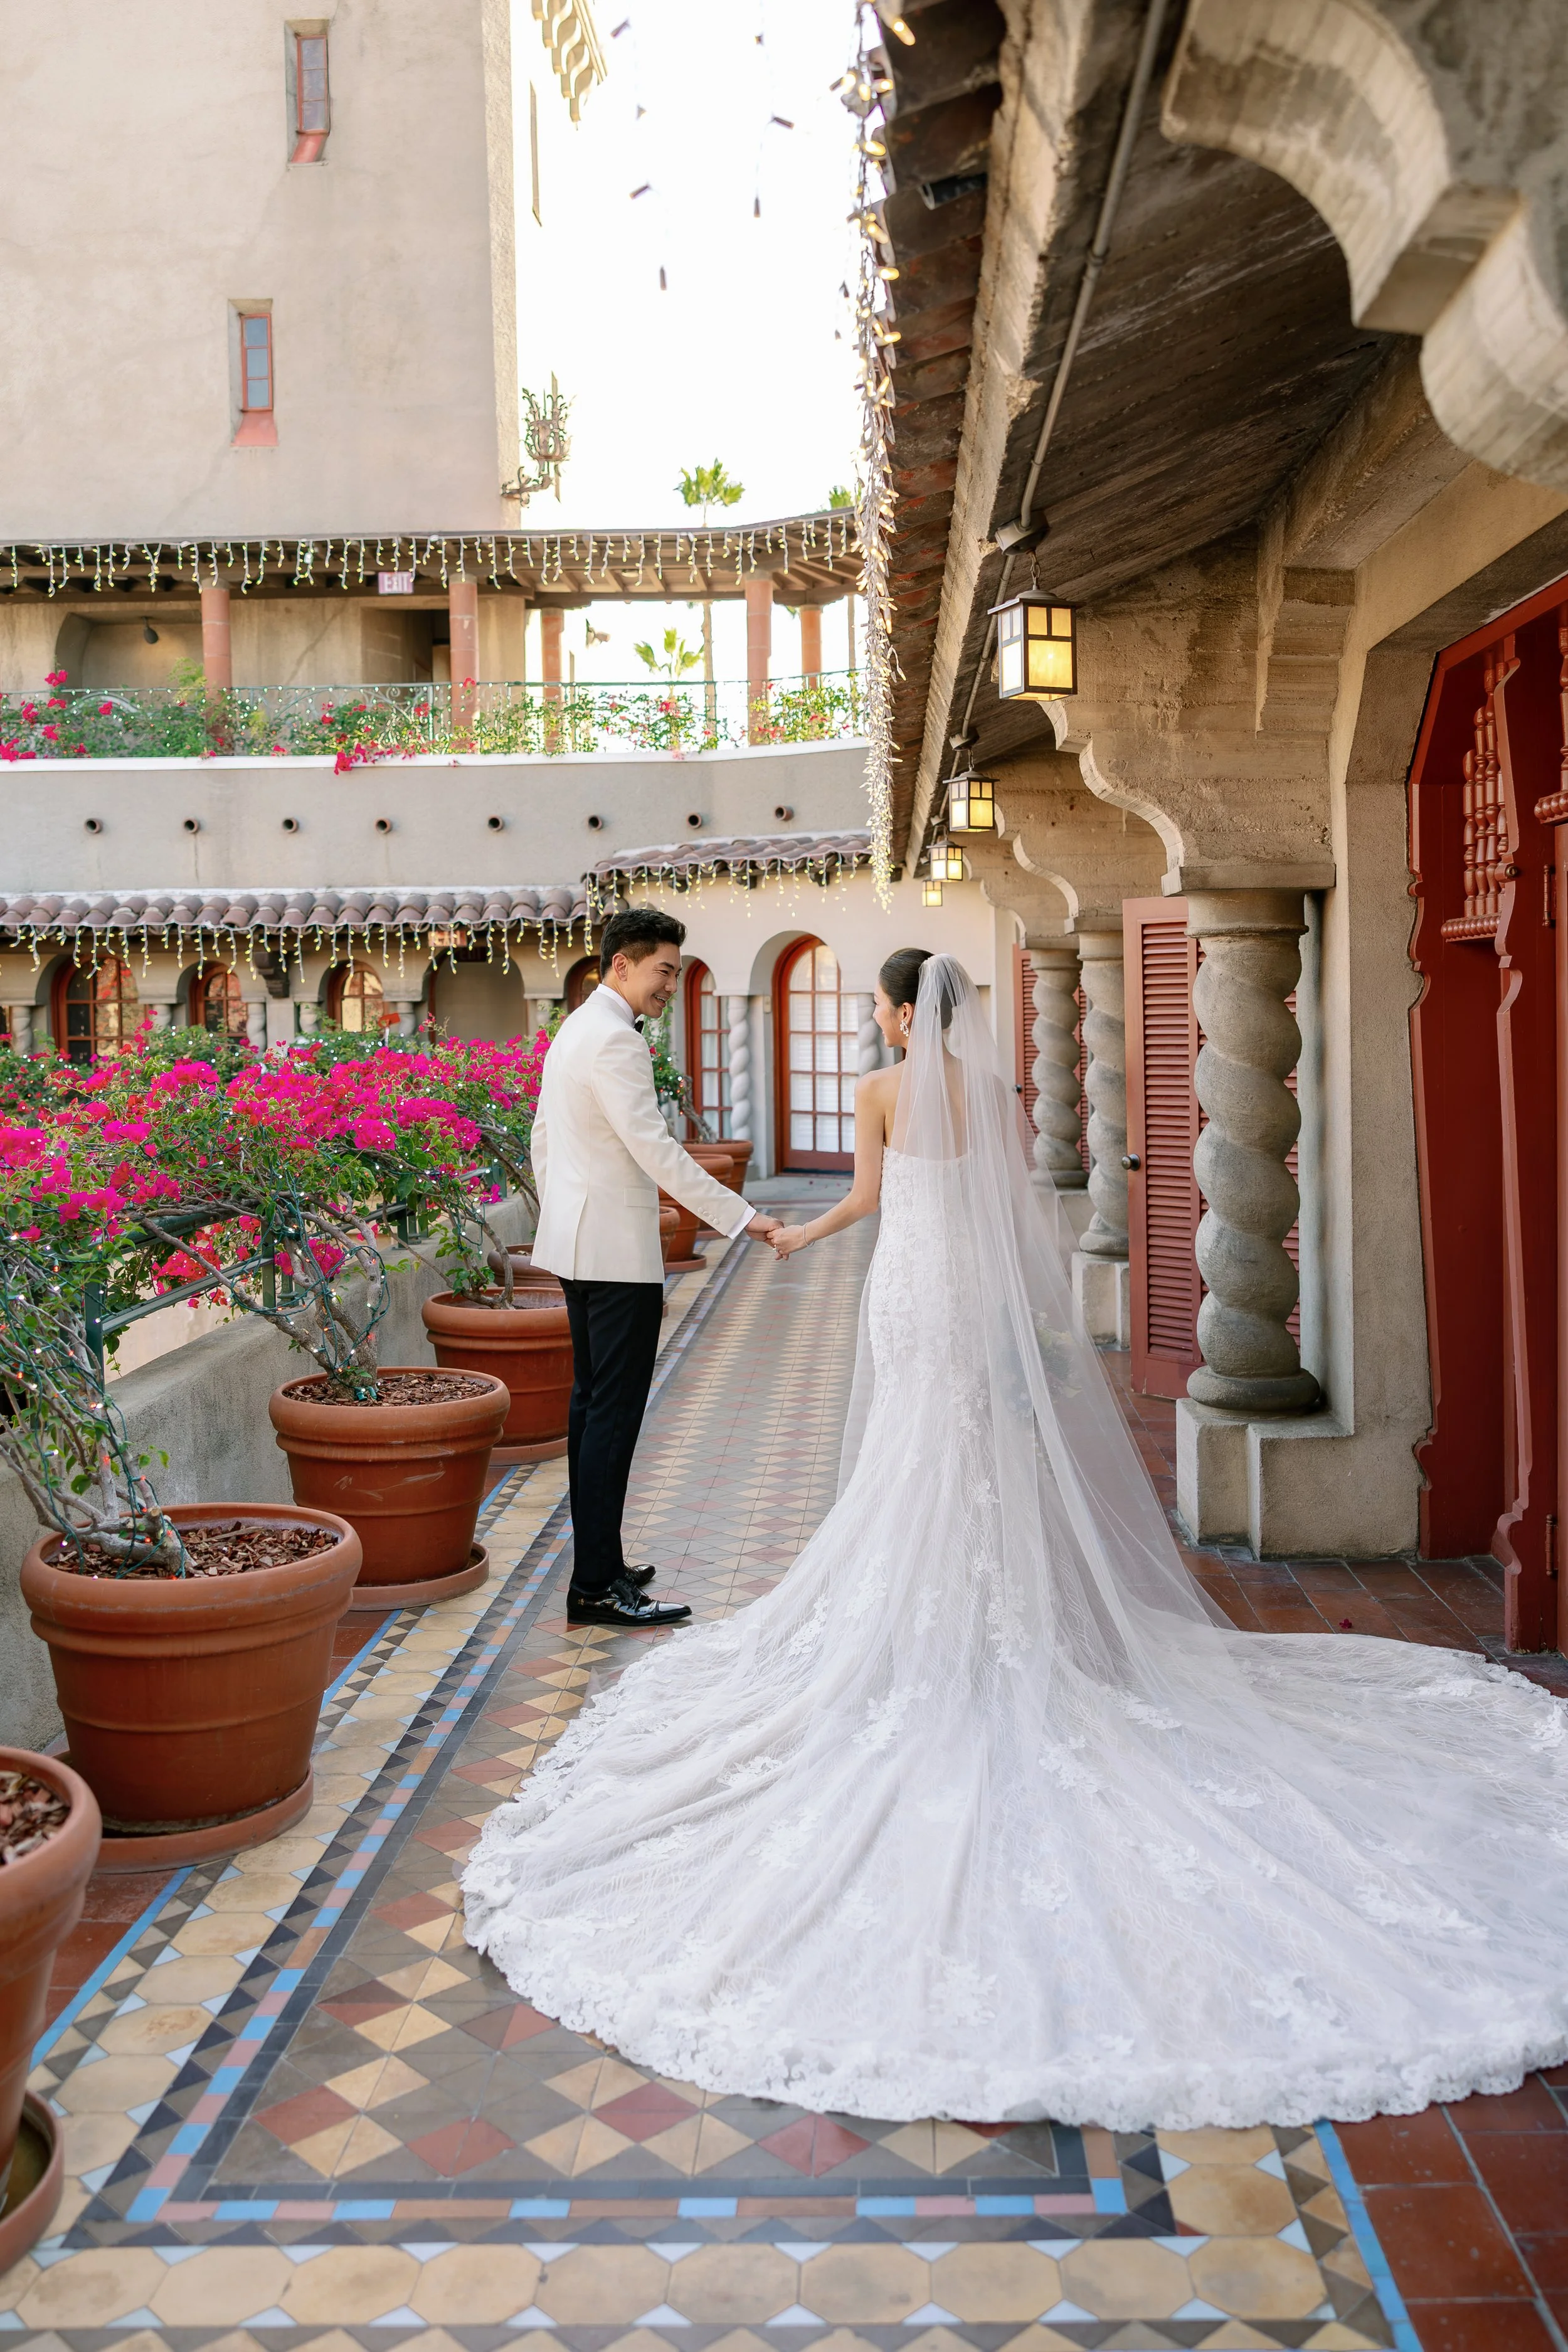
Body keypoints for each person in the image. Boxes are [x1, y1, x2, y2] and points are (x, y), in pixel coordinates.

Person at [465, 948, 1568, 2129]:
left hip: (906, 1287)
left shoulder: (884, 1089)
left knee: (911, 1448)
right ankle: (1006, 1609)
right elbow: (1010, 1215)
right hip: (969, 1293)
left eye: (882, 1006)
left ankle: (926, 1626)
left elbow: (872, 1201)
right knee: (977, 1453)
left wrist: (796, 1237)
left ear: (897, 1012)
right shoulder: (991, 1095)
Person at [529, 905, 780, 1631]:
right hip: (612, 1253)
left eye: (675, 970)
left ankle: (600, 1566)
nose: (671, 983)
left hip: (580, 1246)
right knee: (611, 1418)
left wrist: (565, 1214)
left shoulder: (577, 1026)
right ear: (621, 965)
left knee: (590, 1412)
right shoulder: (614, 1041)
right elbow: (656, 1151)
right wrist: (741, 1215)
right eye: (664, 970)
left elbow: (545, 1136)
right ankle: (595, 1589)